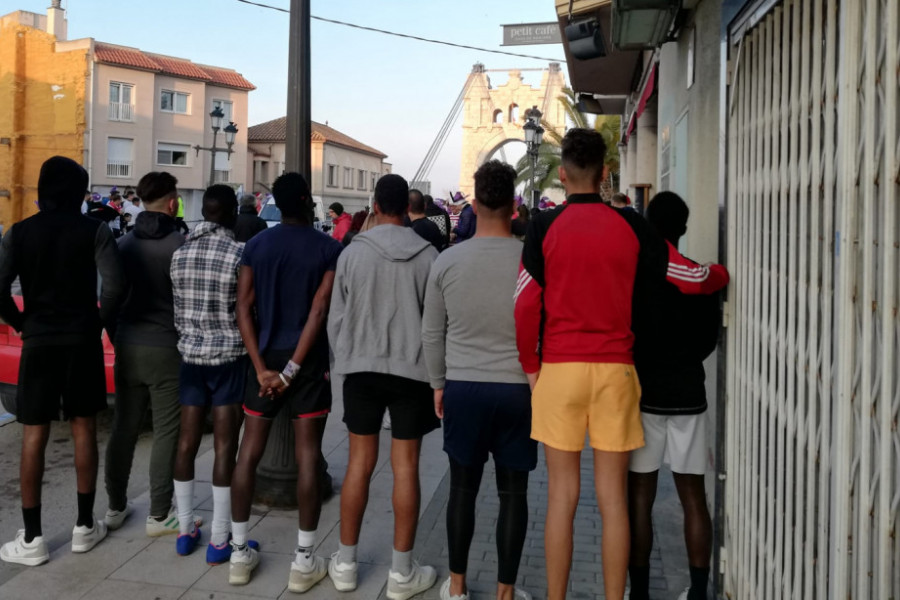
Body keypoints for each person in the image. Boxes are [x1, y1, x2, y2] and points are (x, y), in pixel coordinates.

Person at [514, 129, 667, 600]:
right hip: (615, 370)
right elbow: (653, 297)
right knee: (612, 500)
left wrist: (533, 369)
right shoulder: (635, 227)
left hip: (559, 369)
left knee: (561, 497)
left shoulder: (542, 227)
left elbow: (523, 305)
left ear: (563, 174)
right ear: (604, 174)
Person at [0, 156, 125, 566]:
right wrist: (96, 324)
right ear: (80, 193)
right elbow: (115, 288)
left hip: (39, 342)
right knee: (84, 427)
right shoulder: (97, 231)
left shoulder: (18, 233)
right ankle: (85, 526)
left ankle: (33, 538)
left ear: (41, 190)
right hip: (81, 340)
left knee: (33, 434)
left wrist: (22, 323)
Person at [422, 160, 536, 600]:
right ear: (513, 204)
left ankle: (456, 587)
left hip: (464, 386)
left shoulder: (449, 260)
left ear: (474, 200)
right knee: (514, 493)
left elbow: (433, 330)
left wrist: (437, 383)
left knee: (462, 489)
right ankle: (506, 592)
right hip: (517, 389)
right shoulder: (529, 261)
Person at [228, 172, 342, 592]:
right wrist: (293, 369)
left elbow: (243, 308)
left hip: (263, 362)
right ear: (308, 201)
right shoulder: (329, 248)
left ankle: (239, 554)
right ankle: (304, 559)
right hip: (307, 365)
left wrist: (261, 368)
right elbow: (319, 309)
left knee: (248, 453)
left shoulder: (256, 246)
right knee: (308, 455)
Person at [327, 173, 439, 599]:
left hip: (362, 368)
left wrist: (346, 359)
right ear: (407, 207)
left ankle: (346, 563)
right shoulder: (429, 255)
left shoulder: (353, 254)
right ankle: (401, 573)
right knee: (406, 467)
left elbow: (337, 318)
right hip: (412, 370)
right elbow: (435, 324)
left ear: (375, 205)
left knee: (359, 464)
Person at [627, 192, 729, 600]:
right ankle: (699, 591)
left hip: (644, 395)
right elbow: (709, 339)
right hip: (688, 393)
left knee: (640, 495)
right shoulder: (695, 276)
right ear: (683, 229)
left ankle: (639, 592)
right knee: (692, 496)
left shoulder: (635, 273)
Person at [169, 185, 257, 562]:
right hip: (228, 359)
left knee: (186, 442)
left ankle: (186, 529)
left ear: (204, 212)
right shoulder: (240, 254)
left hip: (190, 358)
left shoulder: (180, 254)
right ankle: (221, 539)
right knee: (225, 445)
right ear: (233, 213)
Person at [104, 171, 192, 537]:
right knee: (166, 431)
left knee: (123, 426)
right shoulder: (180, 245)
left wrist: (116, 334)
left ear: (139, 201)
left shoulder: (122, 245)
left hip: (128, 341)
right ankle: (159, 513)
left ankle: (115, 506)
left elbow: (108, 296)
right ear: (172, 203)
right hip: (166, 347)